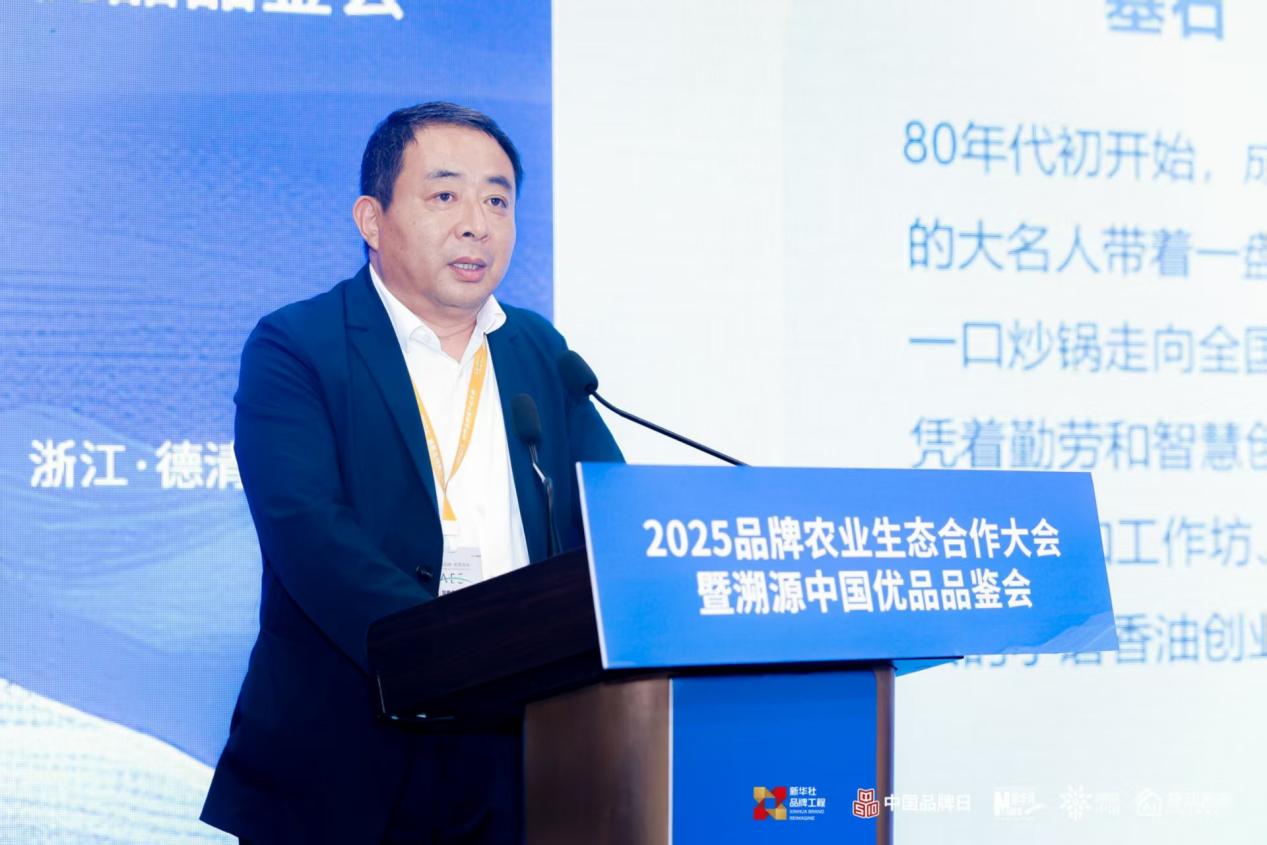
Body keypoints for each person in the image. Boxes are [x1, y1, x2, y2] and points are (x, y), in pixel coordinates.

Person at [200, 102, 623, 844]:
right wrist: (469, 648)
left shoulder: (539, 350)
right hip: (346, 761)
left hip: (528, 757)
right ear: (372, 219)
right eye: (445, 195)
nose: (476, 224)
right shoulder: (298, 346)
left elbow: (612, 517)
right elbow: (309, 534)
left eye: (497, 201)